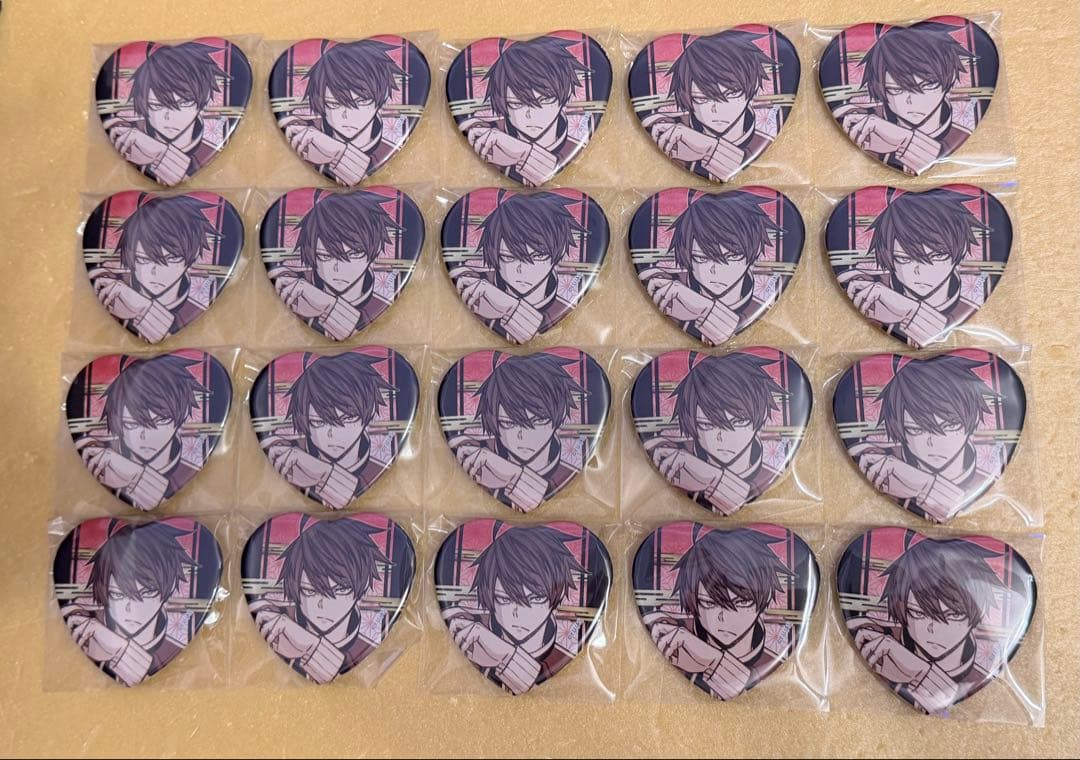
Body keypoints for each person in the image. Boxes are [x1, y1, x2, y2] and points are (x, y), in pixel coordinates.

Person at [847, 538, 1006, 714]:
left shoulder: (982, 672)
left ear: (976, 613)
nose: (934, 628)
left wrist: (921, 672)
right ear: (902, 608)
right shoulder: (874, 641)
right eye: (918, 613)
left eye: (953, 615)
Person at [640, 528, 793, 700]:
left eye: (742, 602)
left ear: (765, 597)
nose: (724, 617)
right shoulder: (671, 635)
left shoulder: (778, 651)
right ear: (693, 599)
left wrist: (714, 660)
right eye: (709, 603)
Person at [849, 354, 996, 522]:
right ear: (900, 428)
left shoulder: (985, 480)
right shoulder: (878, 463)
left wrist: (926, 485)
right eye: (915, 429)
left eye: (949, 426)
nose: (933, 442)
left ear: (974, 420)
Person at [444, 525, 585, 695]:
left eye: (535, 599)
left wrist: (506, 654)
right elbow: (453, 614)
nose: (518, 614)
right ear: (490, 596)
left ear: (559, 594)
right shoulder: (468, 628)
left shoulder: (566, 647)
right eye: (504, 599)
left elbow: (537, 687)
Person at [837, 189, 989, 346]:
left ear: (961, 251)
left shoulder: (972, 299)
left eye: (937, 256)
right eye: (903, 259)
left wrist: (911, 310)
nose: (920, 271)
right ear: (888, 255)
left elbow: (941, 331)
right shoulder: (865, 289)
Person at [249, 518, 391, 683]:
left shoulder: (371, 637)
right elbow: (259, 607)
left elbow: (351, 683)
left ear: (364, 586)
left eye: (340, 590)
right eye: (309, 591)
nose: (323, 605)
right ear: (295, 586)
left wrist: (312, 646)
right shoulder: (277, 621)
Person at [646, 353, 787, 513]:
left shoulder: (773, 468)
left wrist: (715, 478)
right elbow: (655, 445)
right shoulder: (674, 456)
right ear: (692, 422)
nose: (722, 437)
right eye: (706, 425)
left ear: (762, 418)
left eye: (739, 422)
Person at [60, 522, 196, 686]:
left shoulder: (176, 650)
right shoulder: (83, 624)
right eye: (117, 595)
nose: (131, 609)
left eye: (147, 593)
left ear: (169, 588)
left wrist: (120, 648)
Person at [638, 191, 781, 346]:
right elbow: (652, 275)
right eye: (701, 258)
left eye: (732, 257)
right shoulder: (667, 289)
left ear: (755, 251)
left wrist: (706, 308)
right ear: (687, 254)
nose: (715, 270)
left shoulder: (765, 297)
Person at [447, 353, 584, 512]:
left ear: (560, 416)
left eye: (539, 421)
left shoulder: (569, 473)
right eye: (508, 423)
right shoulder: (474, 456)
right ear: (494, 419)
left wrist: (515, 476)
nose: (523, 435)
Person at [261, 352, 394, 510]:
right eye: (318, 422)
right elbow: (270, 442)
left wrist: (325, 473)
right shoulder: (289, 456)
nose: (332, 434)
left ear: (370, 413)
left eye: (347, 419)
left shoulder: (378, 468)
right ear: (304, 418)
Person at [448, 192, 586, 343]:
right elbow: (460, 272)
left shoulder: (564, 303)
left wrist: (511, 307)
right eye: (508, 257)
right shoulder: (477, 288)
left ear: (559, 252)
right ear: (495, 254)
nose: (522, 269)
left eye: (538, 256)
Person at [834, 24, 973, 174]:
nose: (912, 100)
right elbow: (844, 112)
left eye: (927, 86)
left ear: (951, 78)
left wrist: (906, 140)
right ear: (881, 87)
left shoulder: (962, 137)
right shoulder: (865, 124)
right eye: (896, 90)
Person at [641, 31, 778, 181]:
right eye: (701, 99)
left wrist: (711, 148)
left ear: (754, 86)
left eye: (731, 94)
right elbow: (652, 121)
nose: (716, 109)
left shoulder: (762, 140)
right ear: (687, 95)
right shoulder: (670, 130)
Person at [75, 355, 205, 510]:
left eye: (160, 422)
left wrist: (137, 475)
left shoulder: (190, 467)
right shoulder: (98, 457)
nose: (145, 436)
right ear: (117, 421)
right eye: (131, 424)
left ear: (181, 418)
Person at [267, 191, 401, 340]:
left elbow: (357, 324)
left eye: (354, 254)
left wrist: (329, 305)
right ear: (312, 253)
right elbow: (280, 274)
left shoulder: (381, 300)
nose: (338, 268)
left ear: (374, 251)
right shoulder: (294, 288)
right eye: (325, 256)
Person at [88, 195, 220, 342]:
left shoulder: (196, 308)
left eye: (172, 259)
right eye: (143, 259)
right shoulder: (110, 288)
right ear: (131, 255)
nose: (156, 272)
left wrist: (144, 309)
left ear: (193, 256)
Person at [459, 37, 590, 185]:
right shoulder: (487, 136)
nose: (531, 115)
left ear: (566, 94)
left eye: (545, 100)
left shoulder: (575, 146)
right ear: (502, 101)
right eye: (516, 104)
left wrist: (524, 152)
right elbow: (470, 125)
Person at [279, 40, 406, 184]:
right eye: (333, 104)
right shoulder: (303, 133)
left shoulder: (388, 150)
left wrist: (339, 152)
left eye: (361, 102)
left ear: (382, 97)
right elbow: (288, 122)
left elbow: (362, 174)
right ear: (320, 100)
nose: (347, 116)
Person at [102, 42, 228, 186]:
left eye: (184, 104)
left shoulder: (208, 151)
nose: (169, 117)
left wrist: (161, 152)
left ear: (204, 101)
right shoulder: (126, 135)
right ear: (144, 103)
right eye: (156, 106)